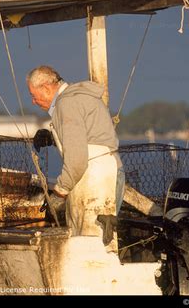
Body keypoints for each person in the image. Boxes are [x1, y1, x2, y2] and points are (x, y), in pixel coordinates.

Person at [26, 65, 125, 252]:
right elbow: (87, 137)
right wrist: (53, 138)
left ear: (47, 88)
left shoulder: (67, 104)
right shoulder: (77, 98)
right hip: (105, 171)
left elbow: (77, 160)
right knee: (97, 243)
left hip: (97, 178)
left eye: (34, 95)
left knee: (93, 244)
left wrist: (60, 192)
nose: (33, 101)